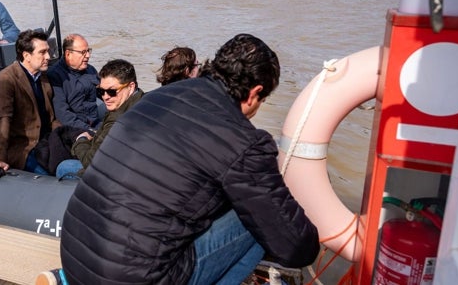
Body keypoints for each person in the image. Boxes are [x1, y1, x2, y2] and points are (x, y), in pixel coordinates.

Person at [39, 34, 319, 285]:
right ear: (255, 93)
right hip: (130, 277)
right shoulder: (244, 141)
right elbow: (294, 248)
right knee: (260, 220)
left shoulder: (156, 99)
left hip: (75, 257)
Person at [54, 59, 143, 179]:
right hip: (131, 164)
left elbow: (91, 162)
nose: (105, 97)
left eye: (112, 91)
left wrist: (81, 141)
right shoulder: (142, 99)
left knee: (64, 167)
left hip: (116, 174)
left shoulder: (117, 120)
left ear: (131, 87)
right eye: (101, 91)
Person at [0, 29, 61, 174]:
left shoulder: (43, 77)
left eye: (48, 51)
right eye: (43, 52)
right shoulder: (7, 79)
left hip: (47, 142)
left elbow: (51, 116)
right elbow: (2, 120)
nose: (48, 56)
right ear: (27, 55)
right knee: (48, 178)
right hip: (24, 147)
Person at [46, 34, 100, 133]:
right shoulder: (55, 76)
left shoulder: (91, 70)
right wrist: (89, 130)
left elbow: (105, 93)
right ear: (68, 54)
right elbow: (63, 114)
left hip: (95, 121)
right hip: (72, 128)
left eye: (88, 51)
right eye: (83, 52)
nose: (88, 55)